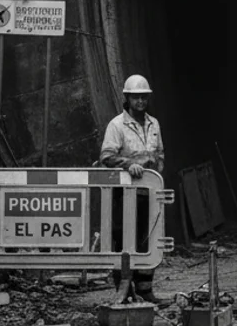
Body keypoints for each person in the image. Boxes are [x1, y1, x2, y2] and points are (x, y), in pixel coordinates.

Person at [99, 73, 165, 304]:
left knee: (147, 239)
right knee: (124, 240)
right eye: (136, 97)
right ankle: (124, 292)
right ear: (127, 98)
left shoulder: (153, 123)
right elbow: (106, 156)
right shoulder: (117, 125)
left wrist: (155, 170)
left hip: (149, 193)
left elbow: (159, 155)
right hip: (125, 194)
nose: (140, 102)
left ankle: (146, 290)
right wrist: (129, 165)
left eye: (144, 97)